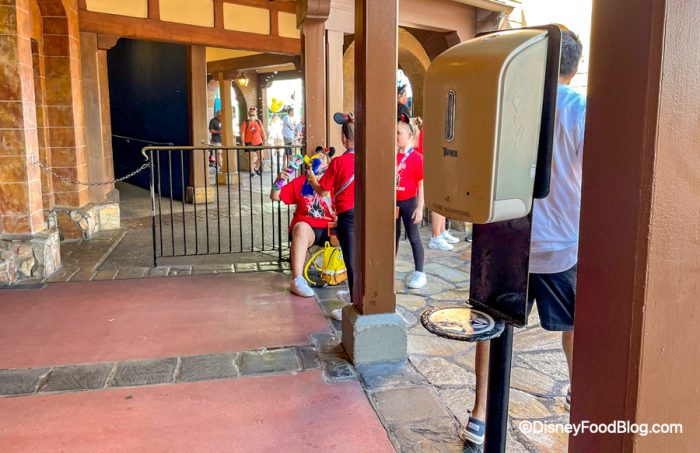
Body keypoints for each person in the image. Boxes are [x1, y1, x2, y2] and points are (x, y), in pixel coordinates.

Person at [465, 29, 585, 446]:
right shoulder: (580, 108)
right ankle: (580, 398)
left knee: (490, 325)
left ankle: (480, 413)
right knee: (576, 328)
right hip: (561, 243)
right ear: (574, 68)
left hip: (504, 239)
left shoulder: (508, 100)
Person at [307, 112, 356, 321]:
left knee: (351, 261)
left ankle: (354, 306)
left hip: (347, 216)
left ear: (344, 138)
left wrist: (312, 179)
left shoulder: (338, 163)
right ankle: (356, 296)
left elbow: (323, 191)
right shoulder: (368, 159)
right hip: (365, 214)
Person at [270, 153, 334, 297]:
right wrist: (279, 181)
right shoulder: (301, 181)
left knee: (347, 226)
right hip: (308, 227)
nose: (319, 159)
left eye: (323, 158)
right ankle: (297, 279)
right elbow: (275, 196)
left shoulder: (334, 181)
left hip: (331, 226)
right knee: (300, 228)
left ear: (329, 164)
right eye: (316, 157)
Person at [396, 113, 427, 289]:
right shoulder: (392, 156)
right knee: (392, 238)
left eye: (399, 133)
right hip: (393, 203)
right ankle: (389, 269)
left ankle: (420, 273)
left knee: (414, 237)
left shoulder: (417, 158)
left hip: (409, 202)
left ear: (409, 135)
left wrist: (420, 207)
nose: (396, 136)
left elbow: (421, 185)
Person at [241, 107, 266, 177]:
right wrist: (243, 142)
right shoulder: (245, 123)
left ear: (256, 115)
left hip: (258, 141)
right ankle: (251, 171)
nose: (252, 116)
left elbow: (262, 130)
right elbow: (242, 133)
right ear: (248, 115)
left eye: (253, 115)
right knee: (251, 158)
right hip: (249, 141)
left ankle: (256, 168)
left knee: (261, 156)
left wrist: (264, 139)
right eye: (250, 115)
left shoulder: (258, 122)